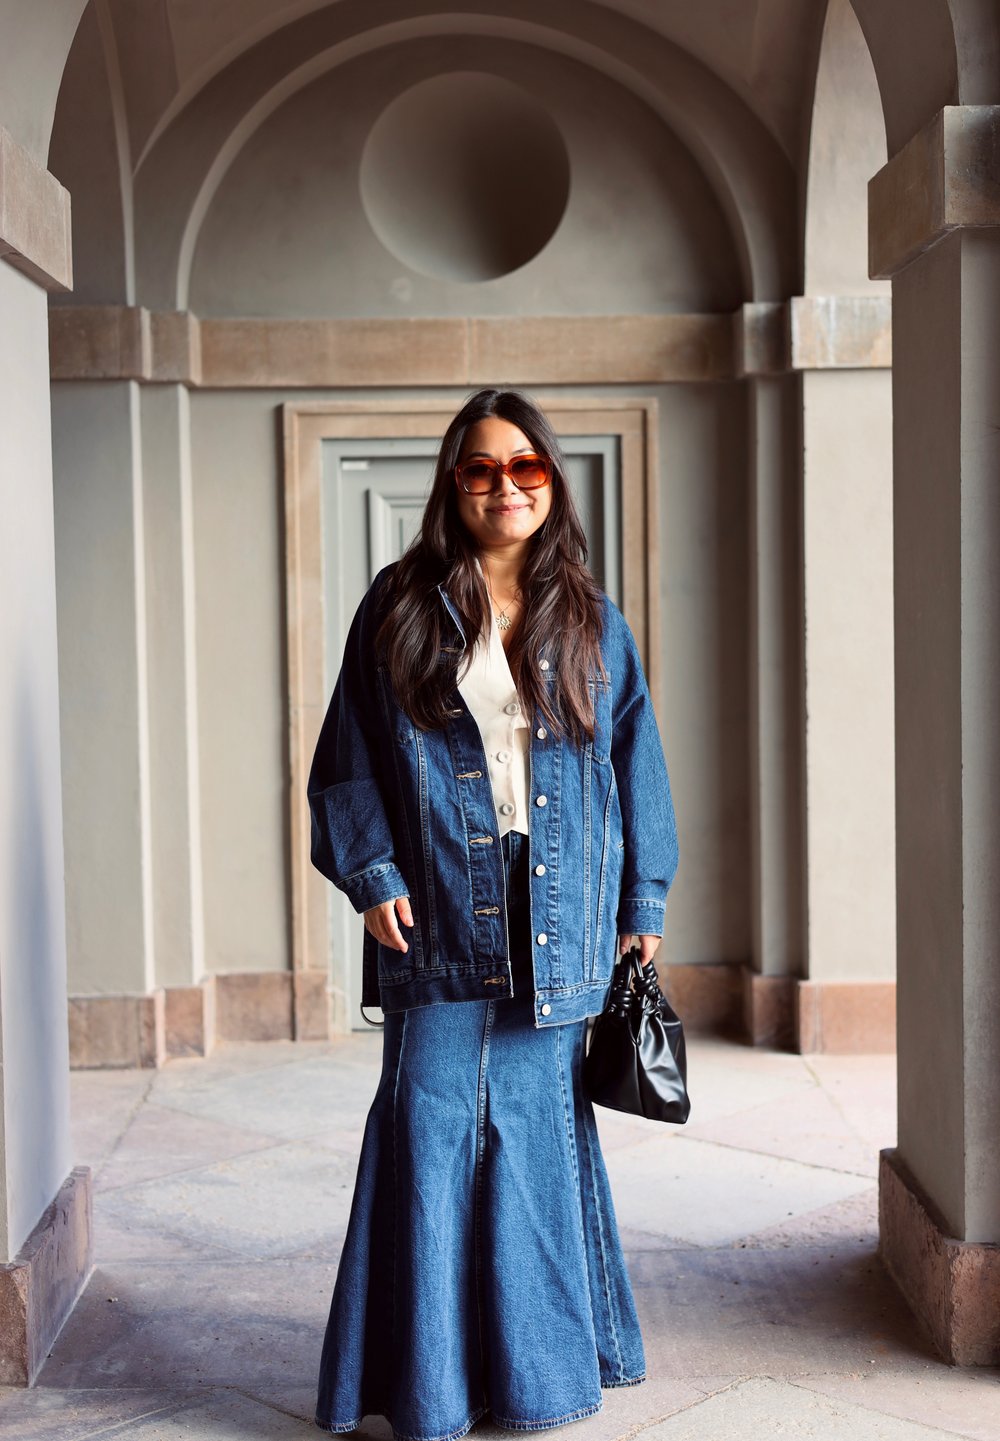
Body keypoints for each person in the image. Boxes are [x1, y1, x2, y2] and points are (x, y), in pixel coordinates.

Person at [308, 387, 679, 1441]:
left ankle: (539, 1377)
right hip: (435, 902)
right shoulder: (398, 605)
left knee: (532, 1126)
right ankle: (428, 1386)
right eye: (480, 468)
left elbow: (634, 759)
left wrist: (640, 895)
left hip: (560, 903)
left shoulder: (593, 621)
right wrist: (371, 871)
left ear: (549, 482)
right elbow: (347, 758)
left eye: (525, 467)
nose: (504, 485)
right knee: (429, 1121)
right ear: (452, 483)